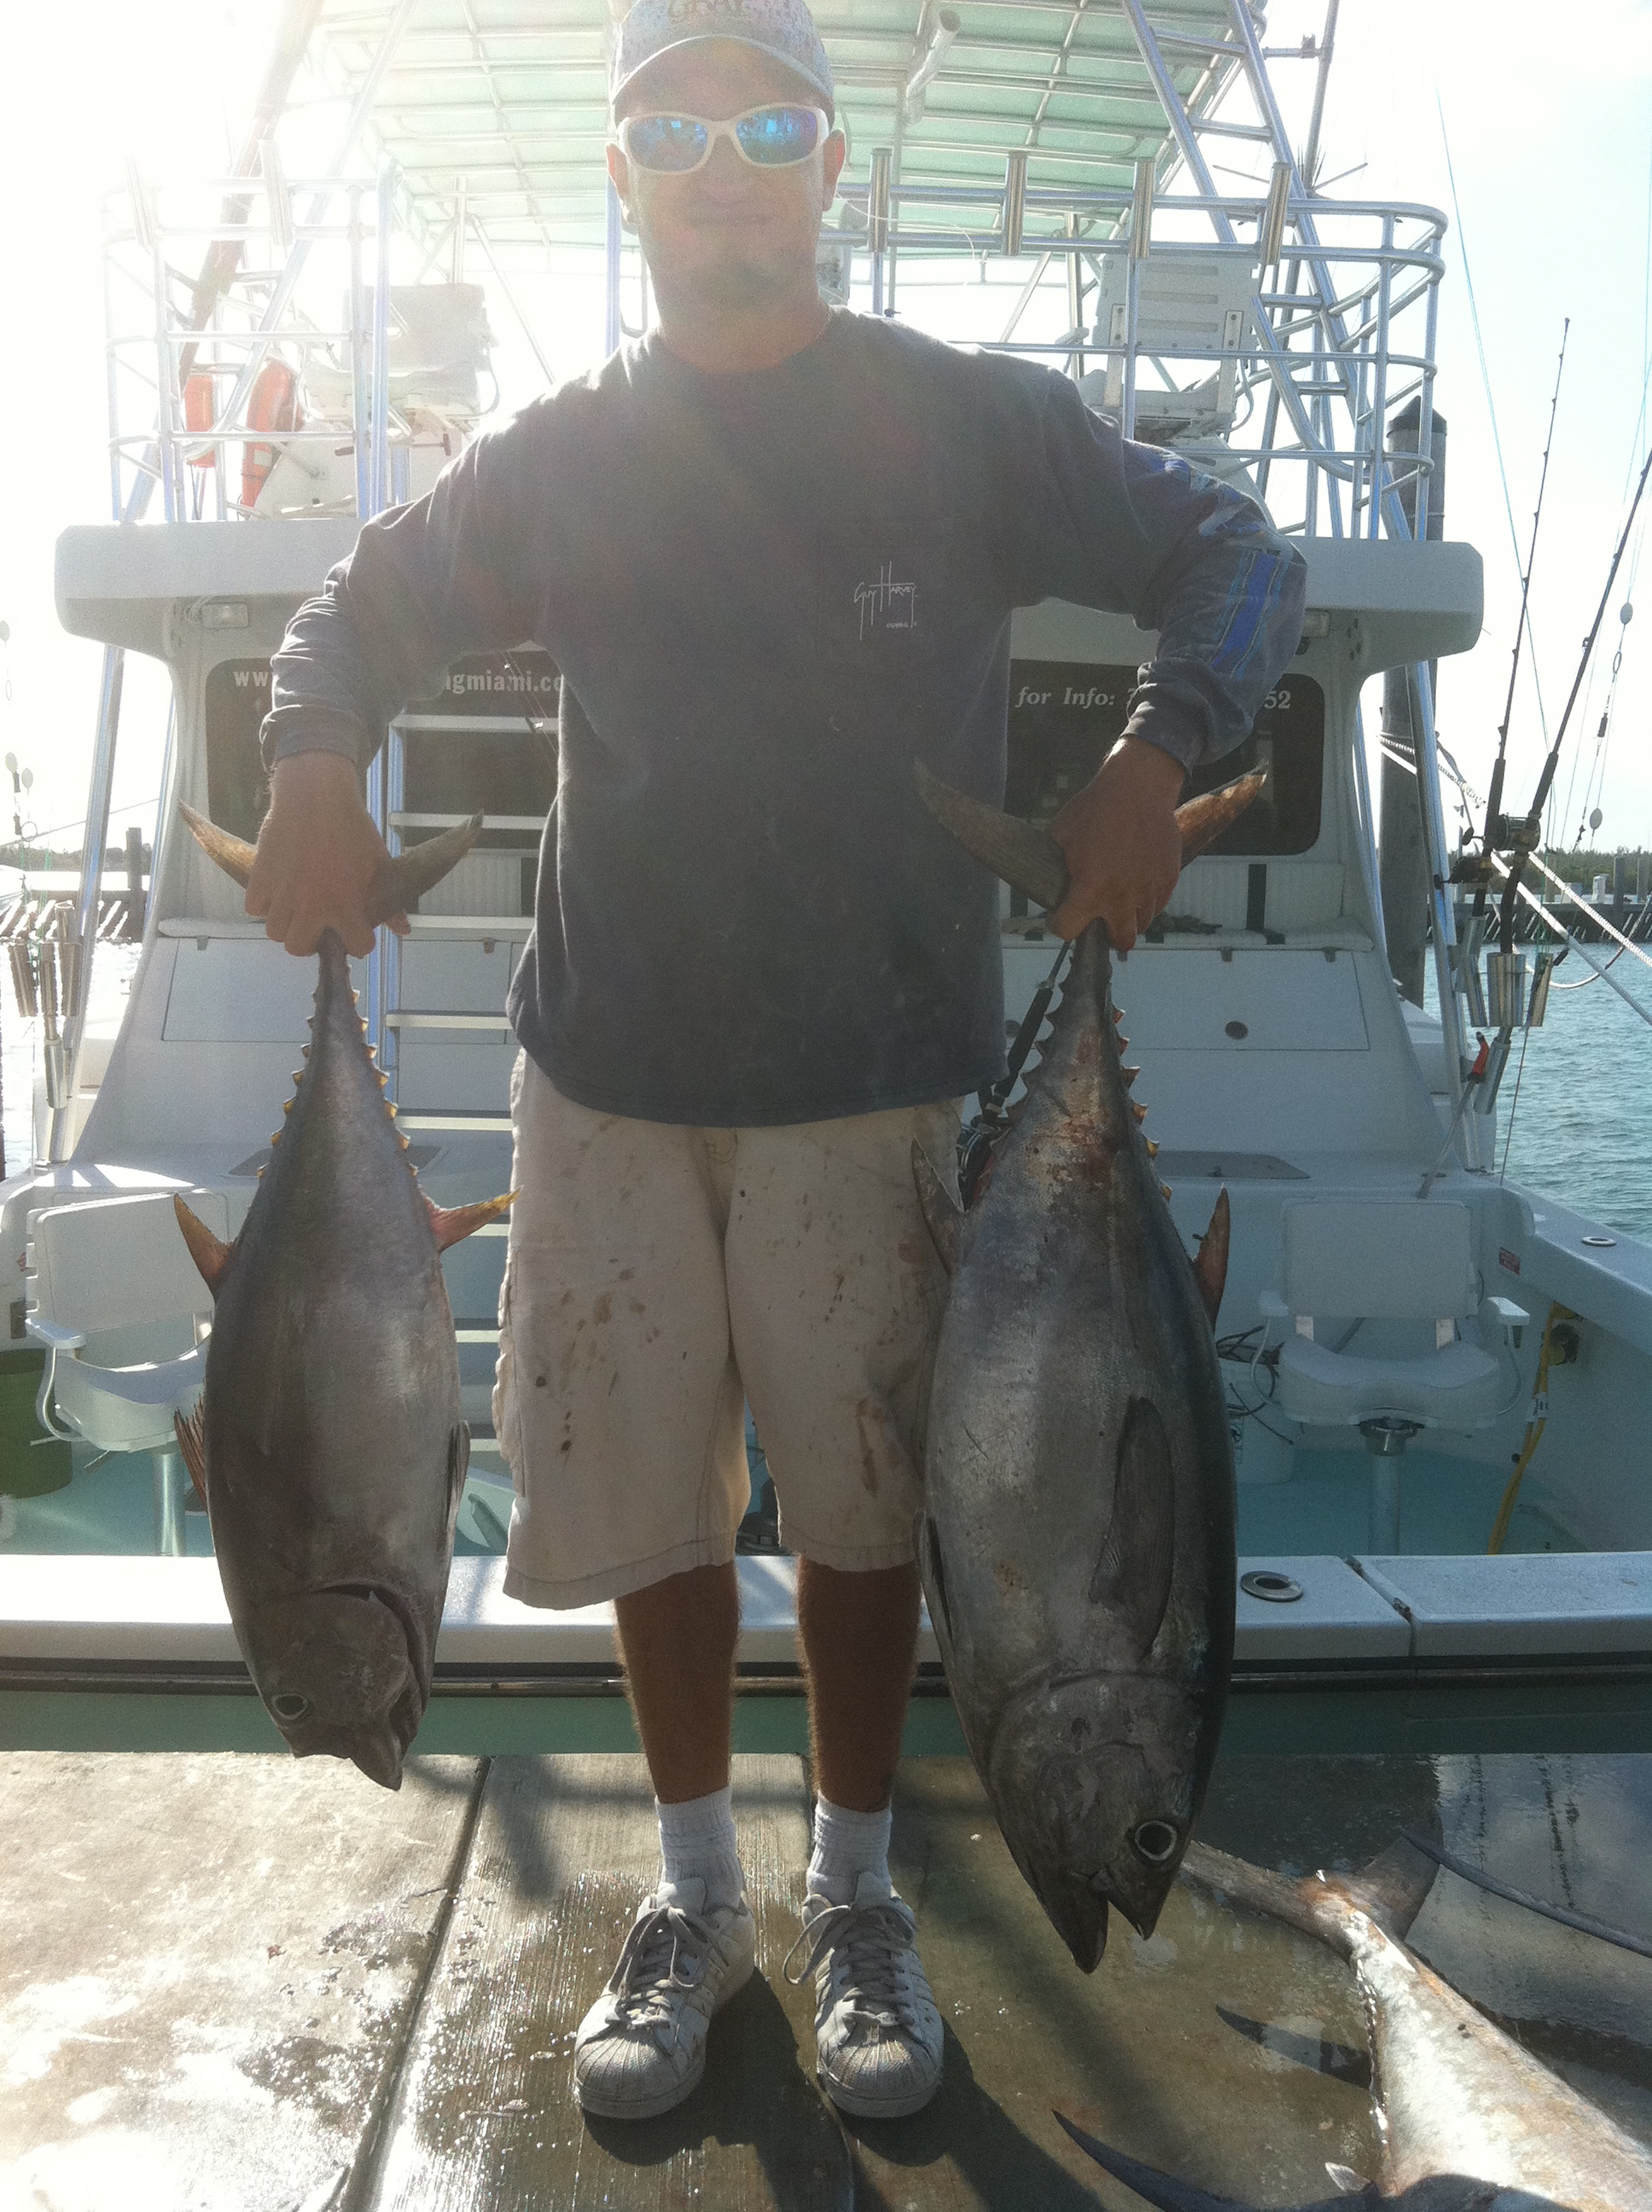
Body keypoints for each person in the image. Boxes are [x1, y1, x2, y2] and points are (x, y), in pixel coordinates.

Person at [248, 0, 1306, 2128]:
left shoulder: (965, 424)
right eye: (671, 130)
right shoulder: (563, 456)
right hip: (607, 1074)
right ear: (622, 174)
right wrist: (306, 759)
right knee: (649, 1505)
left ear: (832, 165)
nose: (718, 168)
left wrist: (1154, 748)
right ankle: (695, 1894)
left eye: (765, 126)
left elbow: (1237, 556)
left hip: (876, 1075)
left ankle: (853, 1896)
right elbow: (350, 611)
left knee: (860, 1511)